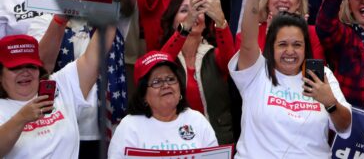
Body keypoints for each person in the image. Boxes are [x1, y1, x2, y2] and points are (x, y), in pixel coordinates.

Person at [230, 0, 351, 158]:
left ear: (306, 46)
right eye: (282, 44)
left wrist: (330, 102)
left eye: (297, 45)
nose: (290, 51)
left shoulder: (321, 76)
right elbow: (248, 41)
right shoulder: (255, 72)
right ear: (270, 45)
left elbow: (344, 126)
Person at [0, 29, 115, 158]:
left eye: (31, 66)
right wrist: (21, 118)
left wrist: (109, 13)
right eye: (15, 68)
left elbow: (96, 54)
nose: (25, 72)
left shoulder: (60, 84)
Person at [158, 0, 236, 144]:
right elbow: (161, 67)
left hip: (216, 142)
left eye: (197, 10)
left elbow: (232, 64)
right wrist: (186, 25)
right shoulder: (166, 55)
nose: (192, 14)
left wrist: (220, 20)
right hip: (175, 143)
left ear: (206, 22)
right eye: (184, 10)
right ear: (173, 21)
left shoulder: (215, 55)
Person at [109, 51, 219, 157]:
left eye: (171, 79)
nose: (166, 85)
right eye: (156, 82)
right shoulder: (129, 126)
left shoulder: (197, 120)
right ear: (143, 96)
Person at [232, 0, 324, 59]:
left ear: (298, 2)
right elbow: (247, 71)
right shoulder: (249, 37)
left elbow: (314, 73)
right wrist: (270, 39)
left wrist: (303, 38)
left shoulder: (312, 34)